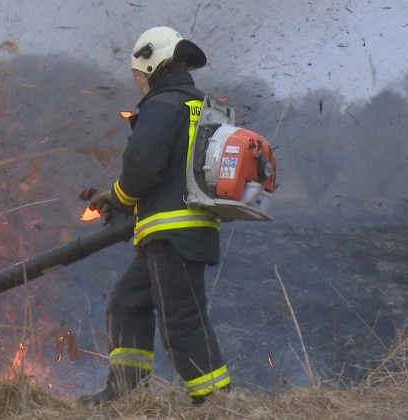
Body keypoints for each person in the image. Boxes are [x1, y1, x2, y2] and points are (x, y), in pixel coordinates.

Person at [81, 27, 229, 406]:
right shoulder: (199, 105)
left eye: (140, 73)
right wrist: (122, 202)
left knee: (182, 321)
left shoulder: (163, 106)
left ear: (152, 62)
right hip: (183, 232)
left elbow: (143, 168)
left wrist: (116, 196)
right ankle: (125, 394)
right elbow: (172, 171)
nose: (141, 82)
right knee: (128, 300)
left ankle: (216, 403)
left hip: (171, 234)